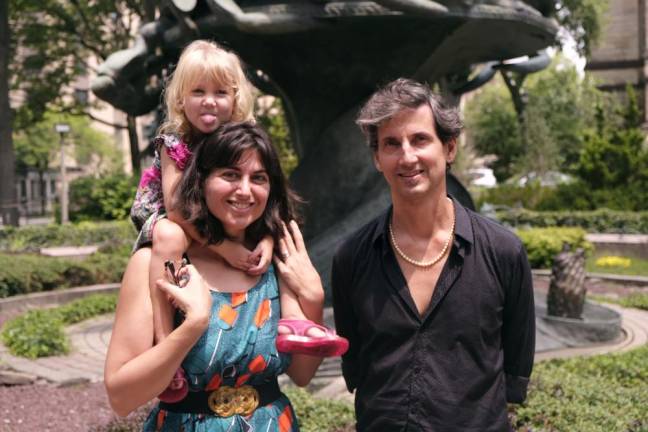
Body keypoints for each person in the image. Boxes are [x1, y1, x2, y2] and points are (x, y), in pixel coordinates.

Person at [130, 40, 347, 400]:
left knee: (279, 237)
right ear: (181, 98)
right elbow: (176, 206)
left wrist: (265, 240)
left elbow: (269, 198)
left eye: (220, 92)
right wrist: (226, 248)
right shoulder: (175, 143)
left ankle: (294, 320)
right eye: (198, 91)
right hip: (175, 216)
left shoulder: (239, 140)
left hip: (214, 217)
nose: (210, 101)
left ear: (235, 99)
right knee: (169, 236)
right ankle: (163, 338)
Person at [331, 78, 535, 431]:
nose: (407, 156)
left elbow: (515, 367)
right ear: (378, 159)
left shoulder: (504, 253)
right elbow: (357, 365)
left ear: (449, 148)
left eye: (420, 139)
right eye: (391, 144)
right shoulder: (351, 258)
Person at [105, 122, 325, 431]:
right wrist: (192, 325)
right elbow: (122, 397)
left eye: (258, 178)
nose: (245, 190)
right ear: (202, 180)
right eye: (230, 175)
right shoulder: (159, 262)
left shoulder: (276, 261)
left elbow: (303, 375)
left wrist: (314, 300)